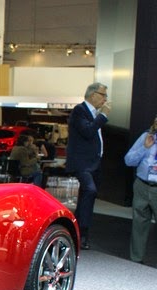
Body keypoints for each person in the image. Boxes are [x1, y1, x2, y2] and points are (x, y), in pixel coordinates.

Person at [66, 82, 111, 250]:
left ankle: (78, 231)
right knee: (90, 191)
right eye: (103, 95)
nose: (105, 99)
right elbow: (87, 131)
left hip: (94, 164)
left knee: (89, 196)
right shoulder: (80, 110)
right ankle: (82, 232)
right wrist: (103, 115)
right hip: (82, 164)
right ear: (93, 95)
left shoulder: (94, 113)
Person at [123, 115, 157, 263]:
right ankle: (136, 260)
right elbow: (128, 160)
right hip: (142, 185)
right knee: (139, 224)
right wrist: (144, 148)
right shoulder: (146, 137)